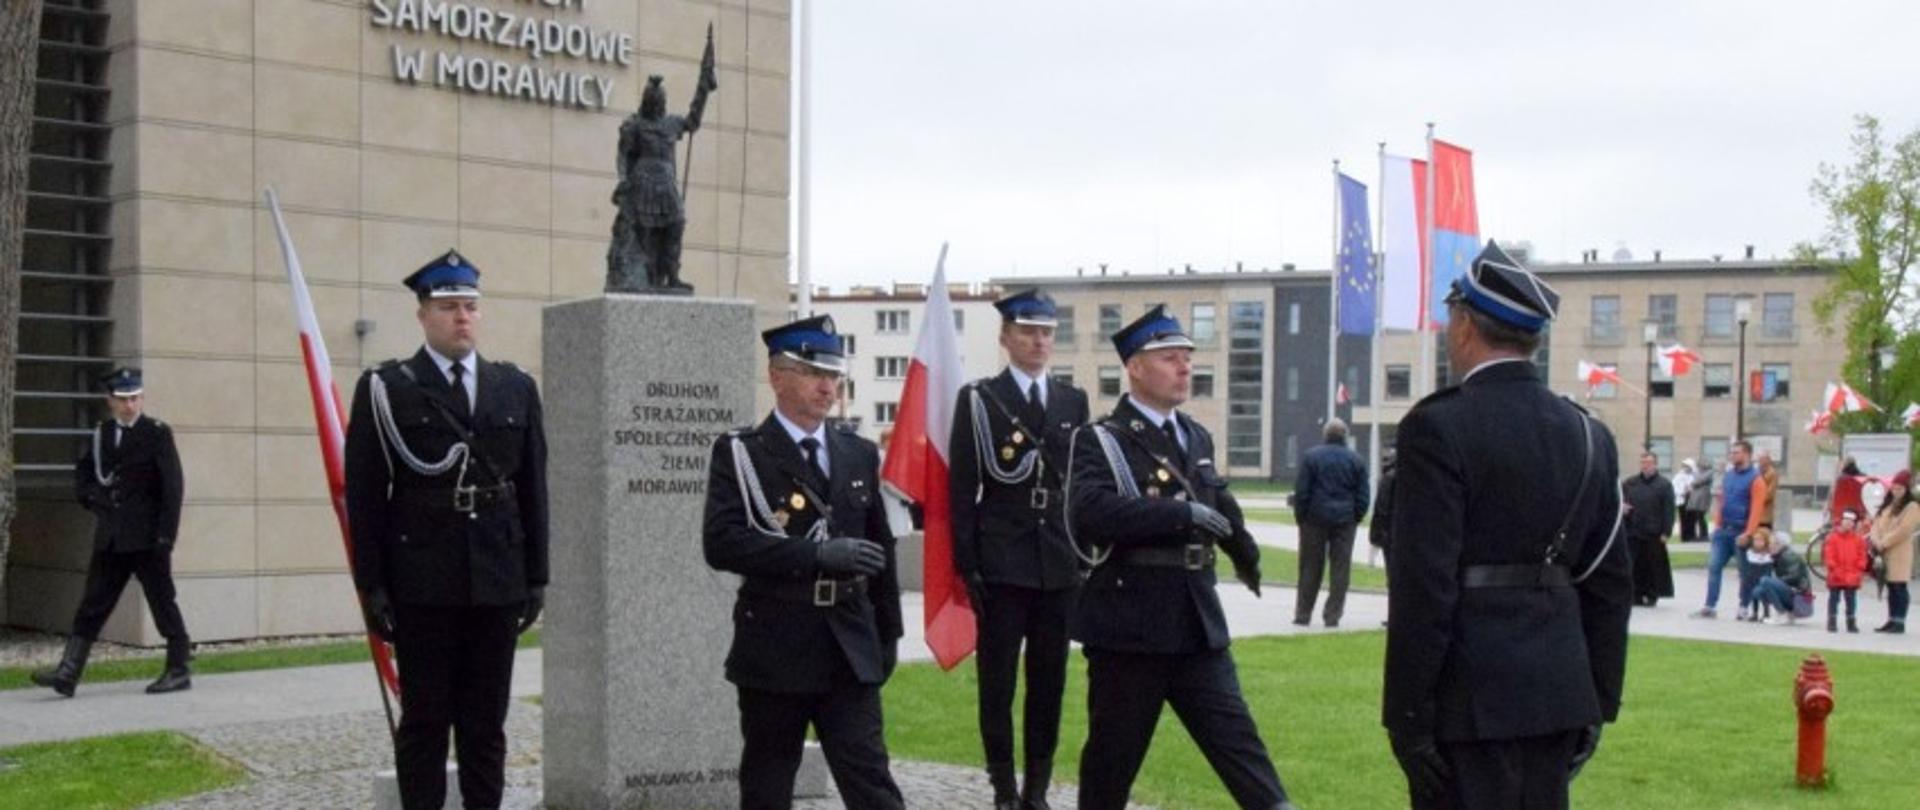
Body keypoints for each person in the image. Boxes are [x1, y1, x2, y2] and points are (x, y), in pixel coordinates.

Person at [1384, 241, 1631, 810]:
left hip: (1469, 697)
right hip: (1558, 693)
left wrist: (1408, 717)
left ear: (1466, 327)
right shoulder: (1588, 434)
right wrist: (1597, 698)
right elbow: (1609, 581)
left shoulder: (1437, 428)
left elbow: (1425, 586)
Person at [1065, 306, 1295, 810]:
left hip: (1196, 625)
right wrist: (1178, 514)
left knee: (1242, 750)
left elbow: (1217, 498)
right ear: (1135, 368)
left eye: (1187, 358)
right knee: (1111, 764)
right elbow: (1093, 511)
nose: (1184, 368)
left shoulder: (1195, 434)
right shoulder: (1100, 440)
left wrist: (1244, 550)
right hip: (1131, 629)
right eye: (1170, 359)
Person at [344, 251, 549, 810]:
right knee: (426, 723)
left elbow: (533, 487)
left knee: (487, 725)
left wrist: (536, 576)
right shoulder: (388, 389)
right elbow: (363, 497)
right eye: (449, 307)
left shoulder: (515, 387)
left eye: (470, 307)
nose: (462, 317)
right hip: (422, 581)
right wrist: (373, 585)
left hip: (497, 576)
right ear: (423, 315)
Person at [704, 315, 905, 810]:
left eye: (834, 375)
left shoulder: (856, 453)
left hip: (848, 643)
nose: (827, 386)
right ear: (776, 376)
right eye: (814, 373)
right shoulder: (742, 453)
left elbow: (882, 549)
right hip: (776, 641)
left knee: (872, 783)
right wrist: (813, 554)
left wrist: (889, 635)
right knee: (768, 783)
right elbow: (723, 543)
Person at [946, 289, 1089, 810]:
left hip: (1057, 561)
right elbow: (963, 491)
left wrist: (1084, 555)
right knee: (998, 682)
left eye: (1046, 332)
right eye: (1028, 331)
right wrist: (967, 564)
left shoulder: (1073, 402)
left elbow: (1080, 485)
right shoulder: (981, 399)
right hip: (1001, 562)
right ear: (1005, 337)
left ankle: (1037, 789)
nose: (1038, 340)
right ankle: (1003, 787)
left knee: (1049, 682)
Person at [31, 368, 190, 698]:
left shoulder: (157, 433)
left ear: (141, 398)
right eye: (122, 400)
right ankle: (68, 672)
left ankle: (178, 669)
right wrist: (91, 498)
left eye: (134, 398)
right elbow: (86, 473)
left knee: (163, 603)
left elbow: (172, 488)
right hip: (112, 538)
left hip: (147, 539)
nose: (129, 406)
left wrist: (165, 538)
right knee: (92, 604)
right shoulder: (102, 433)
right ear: (110, 401)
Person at [1291, 417, 1371, 628]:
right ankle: (1332, 615)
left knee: (1310, 567)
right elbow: (1363, 495)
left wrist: (1301, 517)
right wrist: (1356, 516)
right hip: (1345, 520)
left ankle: (1303, 613)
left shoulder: (1311, 457)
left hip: (1314, 519)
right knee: (1340, 570)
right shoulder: (1356, 460)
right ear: (1345, 436)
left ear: (1325, 435)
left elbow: (1302, 491)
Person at [1692, 441, 1759, 619]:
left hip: (1741, 531)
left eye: (1736, 452)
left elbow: (1756, 509)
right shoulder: (1728, 476)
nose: (1732, 456)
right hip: (1724, 530)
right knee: (1714, 566)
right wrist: (1717, 525)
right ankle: (1710, 605)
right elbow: (1722, 501)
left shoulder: (1755, 478)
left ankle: (1744, 605)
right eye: (1732, 452)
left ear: (1747, 454)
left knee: (1744, 572)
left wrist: (1749, 533)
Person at [1621, 451, 1676, 607]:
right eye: (1643, 462)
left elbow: (1669, 510)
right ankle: (1634, 594)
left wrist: (1666, 531)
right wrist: (1622, 508)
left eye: (1649, 462)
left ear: (1655, 464)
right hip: (1633, 530)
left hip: (1654, 532)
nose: (1645, 465)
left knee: (1652, 566)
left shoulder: (1664, 485)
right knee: (1633, 564)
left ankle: (1652, 594)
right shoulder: (1630, 483)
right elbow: (1619, 500)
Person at [1733, 451, 1781, 621]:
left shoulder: (1771, 474)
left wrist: (1756, 495)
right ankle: (1749, 605)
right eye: (1758, 461)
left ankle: (1764, 609)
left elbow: (1768, 495)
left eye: (1762, 461)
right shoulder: (1757, 474)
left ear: (1768, 461)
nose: (1759, 463)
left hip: (1764, 518)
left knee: (1762, 548)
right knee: (1750, 562)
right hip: (1753, 518)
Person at [1869, 469, 1917, 634]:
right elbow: (1876, 523)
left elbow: (1904, 530)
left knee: (1899, 587)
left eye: (1900, 489)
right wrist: (1876, 540)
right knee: (1890, 586)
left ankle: (1899, 620)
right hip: (1884, 553)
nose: (1896, 491)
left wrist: (1884, 542)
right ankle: (1891, 619)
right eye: (1894, 488)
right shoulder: (1888, 505)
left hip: (1899, 553)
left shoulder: (1912, 507)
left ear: (1906, 489)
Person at [1823, 509, 1870, 633]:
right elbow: (1829, 556)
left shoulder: (1858, 539)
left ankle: (1851, 622)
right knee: (1834, 599)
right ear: (1841, 522)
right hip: (1836, 575)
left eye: (1851, 521)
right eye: (1846, 521)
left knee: (1851, 601)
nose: (1848, 524)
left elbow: (1862, 556)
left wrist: (1859, 569)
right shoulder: (1832, 538)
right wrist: (1834, 569)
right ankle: (1832, 621)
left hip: (1852, 575)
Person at [1751, 532, 1812, 626]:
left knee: (1765, 581)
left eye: (1774, 544)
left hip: (1800, 597)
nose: (1770, 546)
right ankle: (1788, 614)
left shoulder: (1789, 556)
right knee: (1758, 591)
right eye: (1770, 543)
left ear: (1781, 545)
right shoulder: (1777, 556)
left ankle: (1782, 613)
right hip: (1793, 594)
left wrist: (1776, 582)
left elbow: (1794, 576)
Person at [1683, 460, 1714, 543]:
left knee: (1701, 517)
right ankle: (1697, 535)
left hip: (1703, 498)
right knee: (1696, 517)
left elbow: (1699, 481)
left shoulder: (1709, 472)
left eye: (1700, 465)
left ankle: (1704, 535)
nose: (1699, 467)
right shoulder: (1699, 473)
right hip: (1696, 498)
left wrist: (1693, 482)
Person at [1671, 460, 1697, 543]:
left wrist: (1690, 489)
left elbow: (1694, 486)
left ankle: (1691, 535)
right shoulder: (1678, 476)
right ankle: (1684, 537)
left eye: (1688, 466)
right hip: (1682, 500)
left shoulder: (1692, 476)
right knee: (1684, 519)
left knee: (1691, 519)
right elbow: (1674, 488)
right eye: (1685, 466)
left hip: (1691, 500)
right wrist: (1682, 492)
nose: (1686, 468)